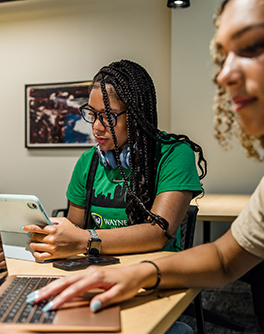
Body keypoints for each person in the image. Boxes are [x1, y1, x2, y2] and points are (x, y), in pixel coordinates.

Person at [26, 0, 264, 333]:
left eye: (251, 46)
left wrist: (91, 241)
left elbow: (160, 232)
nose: (223, 75)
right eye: (224, 55)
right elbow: (222, 258)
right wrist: (135, 273)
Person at [23, 59, 207, 261]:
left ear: (136, 115)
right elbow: (75, 229)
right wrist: (56, 238)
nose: (96, 127)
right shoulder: (88, 161)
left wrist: (86, 239)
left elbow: (158, 233)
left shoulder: (174, 154)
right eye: (92, 114)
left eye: (108, 116)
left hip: (155, 272)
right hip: (97, 274)